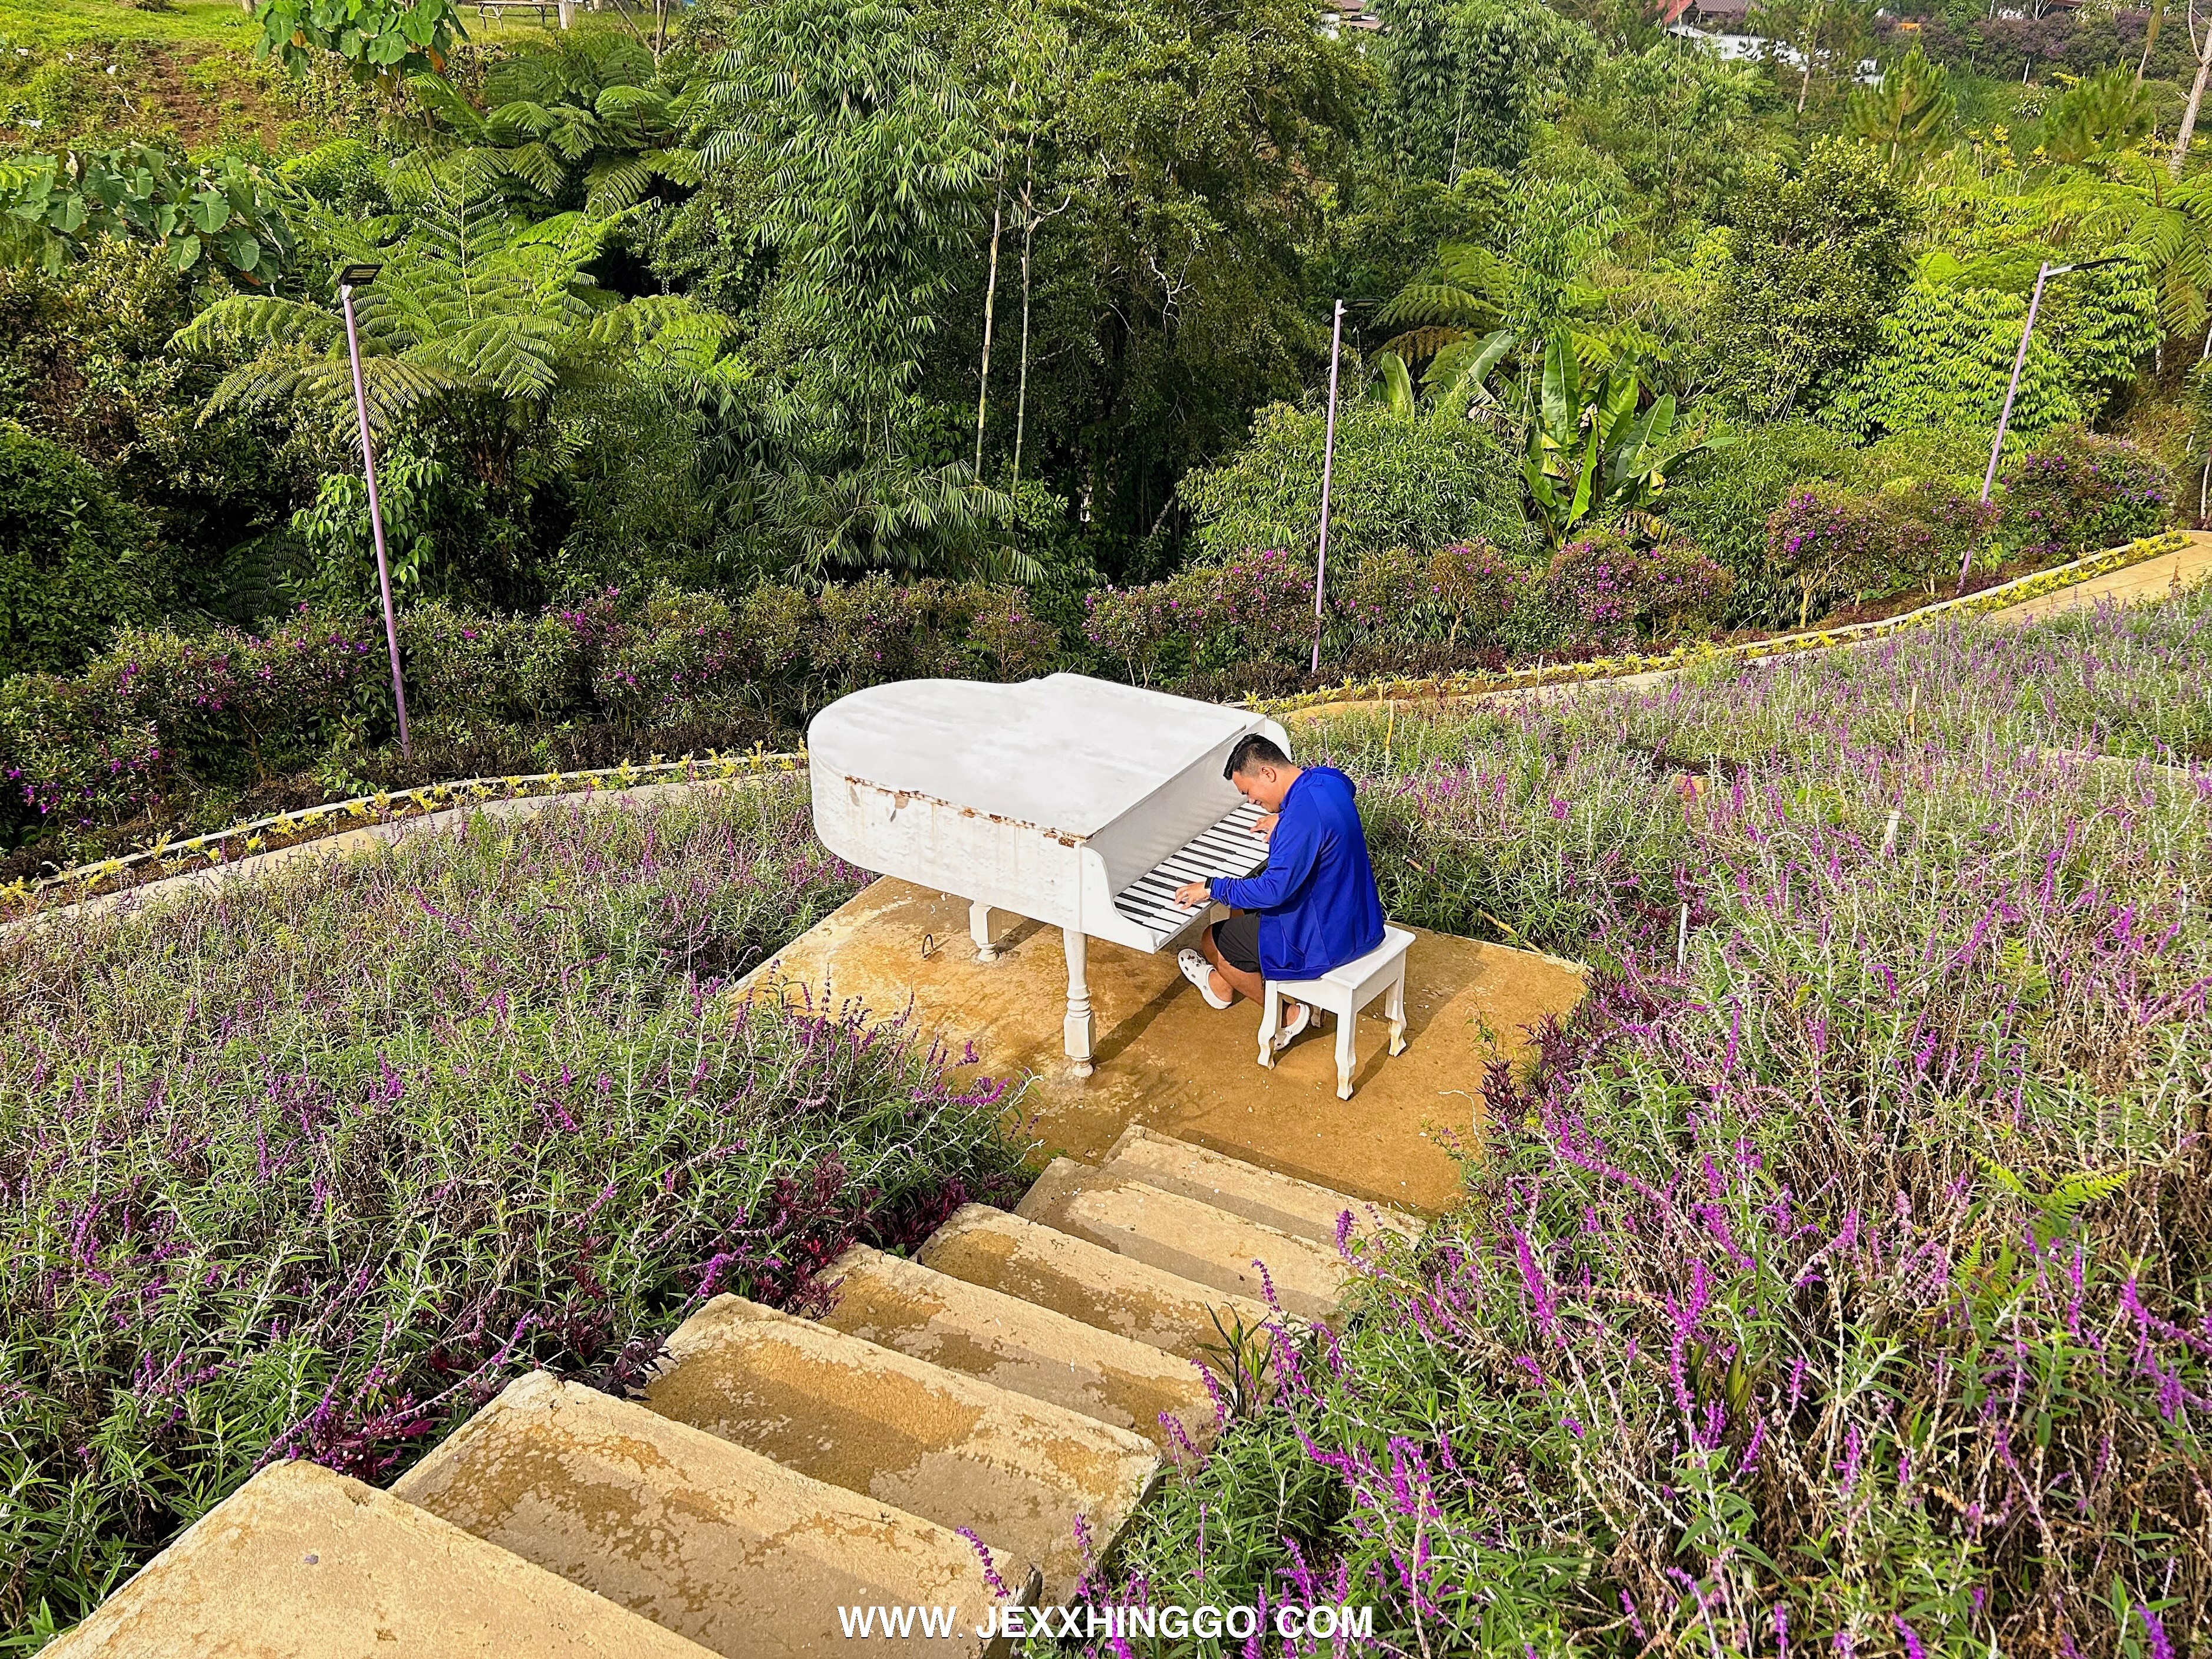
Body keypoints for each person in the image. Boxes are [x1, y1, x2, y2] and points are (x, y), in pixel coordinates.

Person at [1173, 732, 1385, 1049]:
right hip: (1359, 919)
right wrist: (1284, 820)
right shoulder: (1326, 781)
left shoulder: (1301, 818)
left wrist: (1211, 887)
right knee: (1240, 914)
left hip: (1324, 938)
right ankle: (1222, 982)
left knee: (1213, 939)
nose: (1250, 801)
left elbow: (1273, 892)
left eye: (1248, 791)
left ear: (1268, 774)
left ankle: (1287, 1015)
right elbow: (1343, 790)